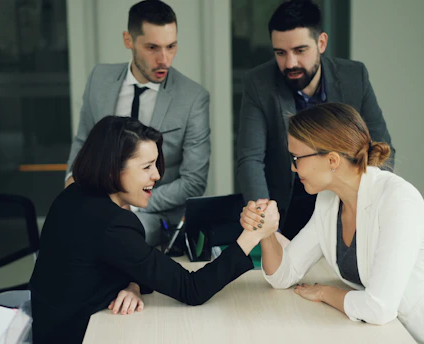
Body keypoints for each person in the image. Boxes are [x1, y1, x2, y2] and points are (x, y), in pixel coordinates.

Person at [30, 116, 278, 344]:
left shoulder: (76, 196)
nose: (157, 175)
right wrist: (253, 234)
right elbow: (192, 289)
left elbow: (112, 262)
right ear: (111, 170)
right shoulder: (112, 224)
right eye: (147, 167)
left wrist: (133, 284)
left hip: (53, 328)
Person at [240, 103, 424, 344]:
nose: (293, 167)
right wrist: (267, 231)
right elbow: (283, 275)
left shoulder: (398, 200)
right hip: (379, 332)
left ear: (332, 160)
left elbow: (379, 308)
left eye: (296, 158)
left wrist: (326, 292)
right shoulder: (329, 200)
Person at [236, 0, 395, 240]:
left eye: (300, 50)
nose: (290, 63)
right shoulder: (258, 83)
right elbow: (250, 159)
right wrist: (265, 221)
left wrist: (363, 204)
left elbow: (381, 147)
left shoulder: (355, 76)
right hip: (288, 202)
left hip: (344, 199)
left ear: (321, 43)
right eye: (280, 53)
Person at [65, 0, 210, 246]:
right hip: (95, 203)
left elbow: (193, 182)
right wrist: (72, 182)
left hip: (151, 211)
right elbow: (83, 141)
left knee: (117, 235)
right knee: (68, 231)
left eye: (171, 46)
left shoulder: (193, 98)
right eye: (152, 47)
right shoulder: (99, 78)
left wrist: (127, 203)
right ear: (128, 40)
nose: (164, 59)